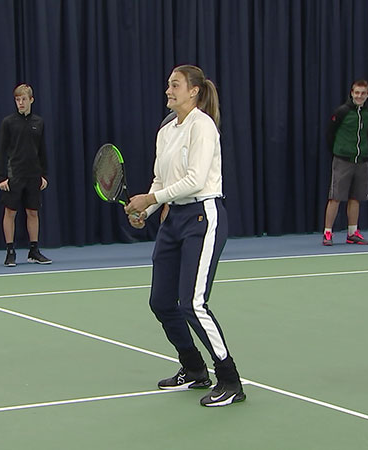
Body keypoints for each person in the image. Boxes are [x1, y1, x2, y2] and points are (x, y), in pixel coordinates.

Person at [124, 65, 245, 407]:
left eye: (175, 85)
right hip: (173, 219)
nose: (168, 90)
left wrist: (150, 200)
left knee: (192, 302)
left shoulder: (203, 126)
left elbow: (194, 180)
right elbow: (160, 180)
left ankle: (230, 379)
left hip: (202, 216)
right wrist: (144, 211)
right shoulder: (166, 131)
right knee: (161, 302)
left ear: (193, 91)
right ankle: (194, 369)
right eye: (168, 85)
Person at [0, 84, 51, 267]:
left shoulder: (39, 122)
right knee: (10, 213)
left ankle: (34, 251)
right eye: (17, 100)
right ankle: (10, 252)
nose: (20, 103)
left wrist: (44, 174)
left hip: (33, 175)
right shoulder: (8, 123)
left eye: (23, 99)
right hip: (14, 176)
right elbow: (1, 151)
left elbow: (42, 151)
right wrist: (1, 177)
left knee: (33, 212)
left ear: (31, 100)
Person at [322, 79, 368, 246]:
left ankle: (352, 232)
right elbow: (330, 134)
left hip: (361, 161)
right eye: (356, 93)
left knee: (356, 197)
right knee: (335, 197)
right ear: (352, 93)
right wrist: (340, 151)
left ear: (367, 95)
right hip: (342, 161)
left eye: (363, 93)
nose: (359, 96)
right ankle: (328, 233)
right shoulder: (342, 112)